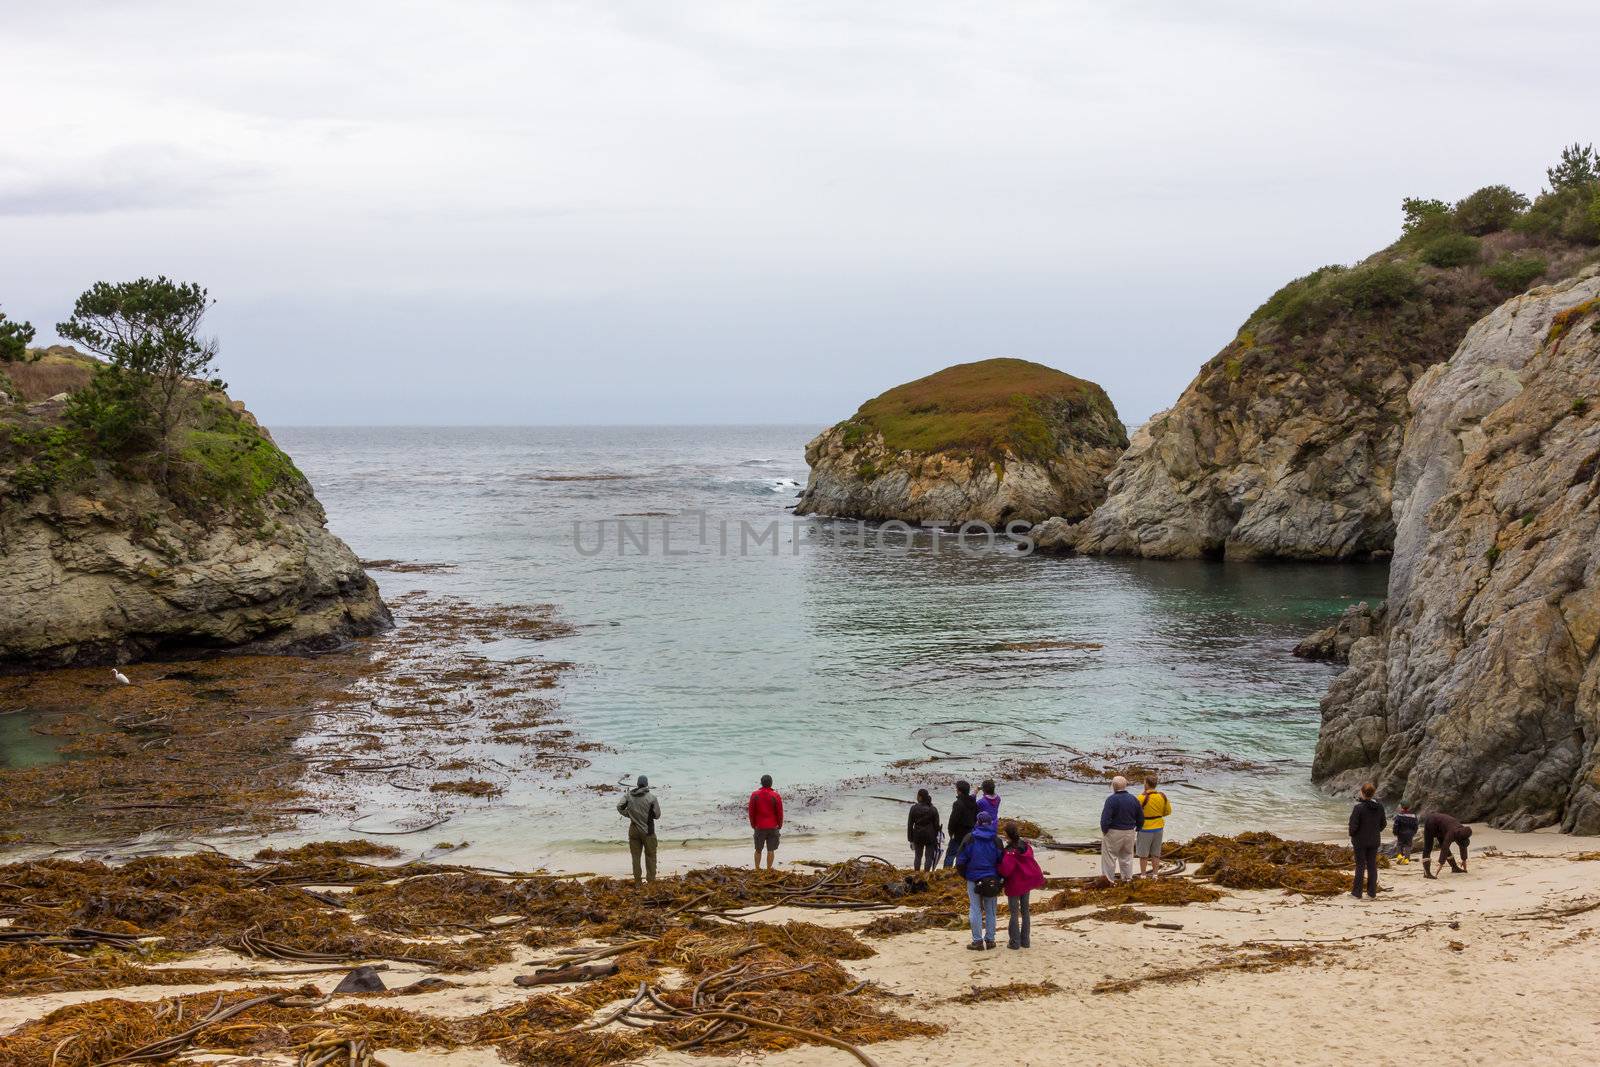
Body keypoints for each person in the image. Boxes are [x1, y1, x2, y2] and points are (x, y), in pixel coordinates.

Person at [955, 809, 1005, 950]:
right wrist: (1000, 878)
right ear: (991, 823)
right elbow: (1002, 862)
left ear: (978, 822)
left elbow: (960, 861)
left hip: (974, 879)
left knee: (975, 909)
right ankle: (990, 940)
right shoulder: (996, 840)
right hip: (991, 879)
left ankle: (977, 941)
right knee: (990, 910)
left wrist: (966, 875)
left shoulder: (970, 838)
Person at [998, 820, 1045, 950]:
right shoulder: (1026, 846)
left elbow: (1005, 870)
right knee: (1025, 911)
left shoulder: (1010, 851)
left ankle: (1015, 942)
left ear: (1007, 835)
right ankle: (1025, 940)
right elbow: (1029, 859)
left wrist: (998, 867)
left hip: (1015, 884)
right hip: (1026, 882)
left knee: (1014, 913)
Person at [617, 775, 660, 886]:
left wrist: (629, 814)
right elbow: (657, 815)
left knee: (636, 858)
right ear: (646, 784)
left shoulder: (628, 796)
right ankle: (651, 881)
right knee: (650, 856)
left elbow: (619, 806)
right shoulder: (652, 798)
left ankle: (637, 883)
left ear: (637, 784)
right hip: (648, 832)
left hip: (634, 830)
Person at [1099, 775, 1144, 883]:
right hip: (1129, 831)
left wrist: (1105, 830)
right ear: (1125, 785)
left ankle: (1109, 880)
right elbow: (1141, 816)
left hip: (1114, 831)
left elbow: (1105, 819)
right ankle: (1127, 879)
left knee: (1110, 857)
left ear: (1113, 786)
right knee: (1127, 857)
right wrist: (1138, 827)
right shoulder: (1134, 799)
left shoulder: (1111, 800)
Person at [1348, 782, 1385, 900]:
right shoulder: (1380, 807)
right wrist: (1375, 831)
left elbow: (1353, 826)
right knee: (1372, 866)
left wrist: (1353, 835)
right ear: (1373, 793)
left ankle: (1357, 893)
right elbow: (1383, 824)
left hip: (1360, 841)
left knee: (1360, 866)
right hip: (1374, 840)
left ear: (1362, 793)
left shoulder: (1358, 808)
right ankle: (1371, 893)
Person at [1136, 774, 1172, 879]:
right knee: (1156, 853)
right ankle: (1155, 875)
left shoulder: (1141, 798)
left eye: (1144, 782)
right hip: (1159, 827)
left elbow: (1136, 814)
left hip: (1145, 828)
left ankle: (1143, 875)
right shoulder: (1162, 796)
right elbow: (1168, 811)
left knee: (1143, 855)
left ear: (1146, 784)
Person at [748, 774, 783, 871]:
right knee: (770, 850)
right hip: (773, 826)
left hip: (759, 826)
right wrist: (779, 825)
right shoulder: (775, 795)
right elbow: (779, 812)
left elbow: (751, 812)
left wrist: (753, 824)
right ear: (771, 783)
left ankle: (757, 868)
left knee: (758, 850)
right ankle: (768, 869)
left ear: (761, 783)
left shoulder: (755, 795)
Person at [1422, 811, 1472, 878]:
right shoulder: (1452, 833)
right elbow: (1445, 847)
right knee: (1428, 847)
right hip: (1431, 822)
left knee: (1444, 845)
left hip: (1441, 827)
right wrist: (1441, 864)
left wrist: (1464, 859)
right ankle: (1427, 873)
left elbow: (1463, 845)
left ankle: (1454, 868)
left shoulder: (1463, 831)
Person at [944, 780, 978, 868]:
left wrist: (951, 833)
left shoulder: (958, 804)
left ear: (959, 791)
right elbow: (976, 818)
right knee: (963, 855)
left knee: (950, 855)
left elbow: (953, 821)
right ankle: (959, 872)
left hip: (957, 834)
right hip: (969, 833)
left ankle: (946, 871)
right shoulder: (974, 803)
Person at [907, 788, 942, 871]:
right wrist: (936, 836)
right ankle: (926, 874)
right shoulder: (933, 809)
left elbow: (910, 824)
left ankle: (917, 874)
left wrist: (910, 839)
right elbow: (936, 825)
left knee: (918, 856)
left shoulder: (913, 808)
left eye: (917, 795)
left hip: (917, 835)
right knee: (929, 857)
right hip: (930, 836)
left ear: (920, 797)